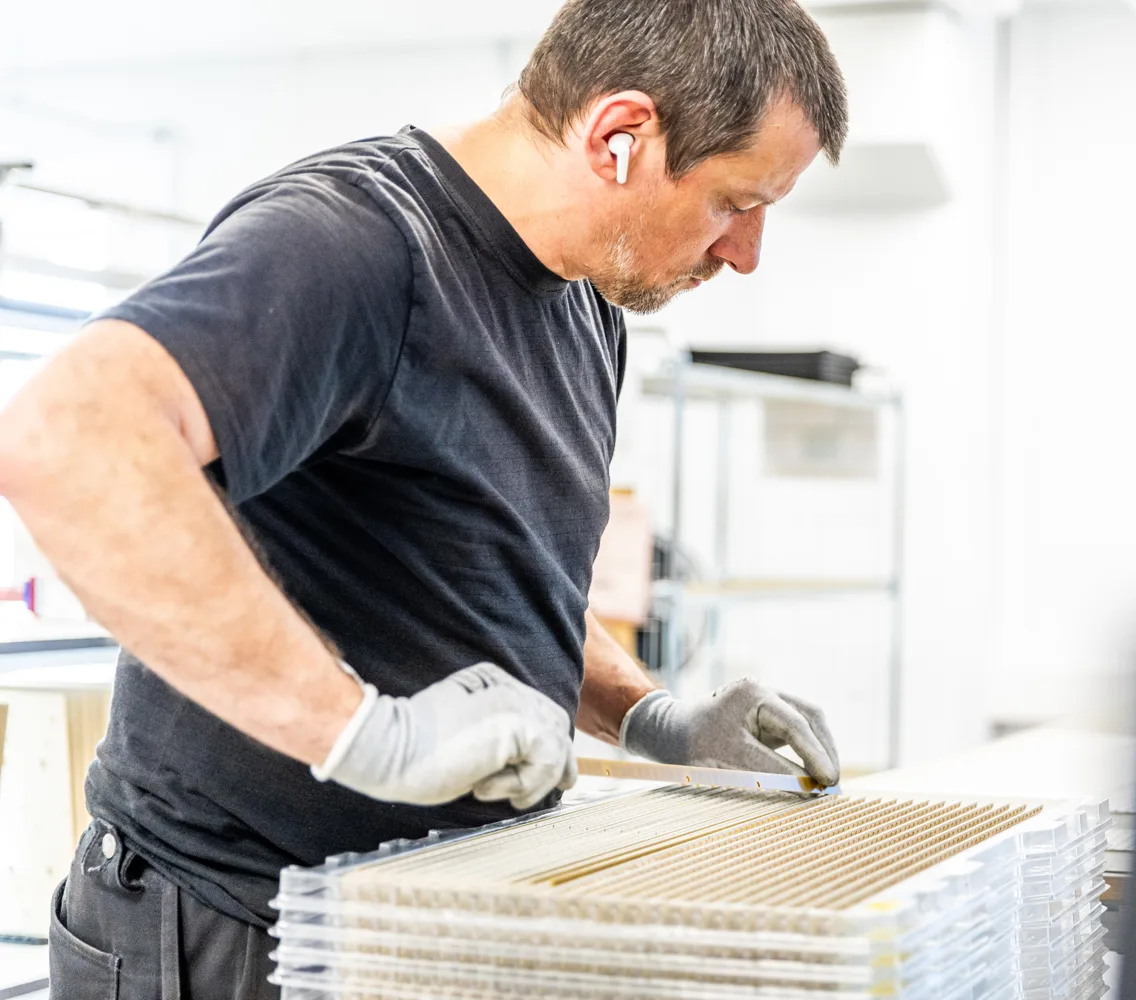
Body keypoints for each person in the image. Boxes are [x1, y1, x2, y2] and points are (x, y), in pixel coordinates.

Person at [0, 1, 849, 995]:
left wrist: (657, 719)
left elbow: (491, 583)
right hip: (231, 924)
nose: (744, 252)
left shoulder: (585, 304)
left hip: (418, 916)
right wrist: (362, 731)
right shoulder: (353, 243)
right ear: (620, 137)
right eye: (733, 203)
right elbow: (70, 436)